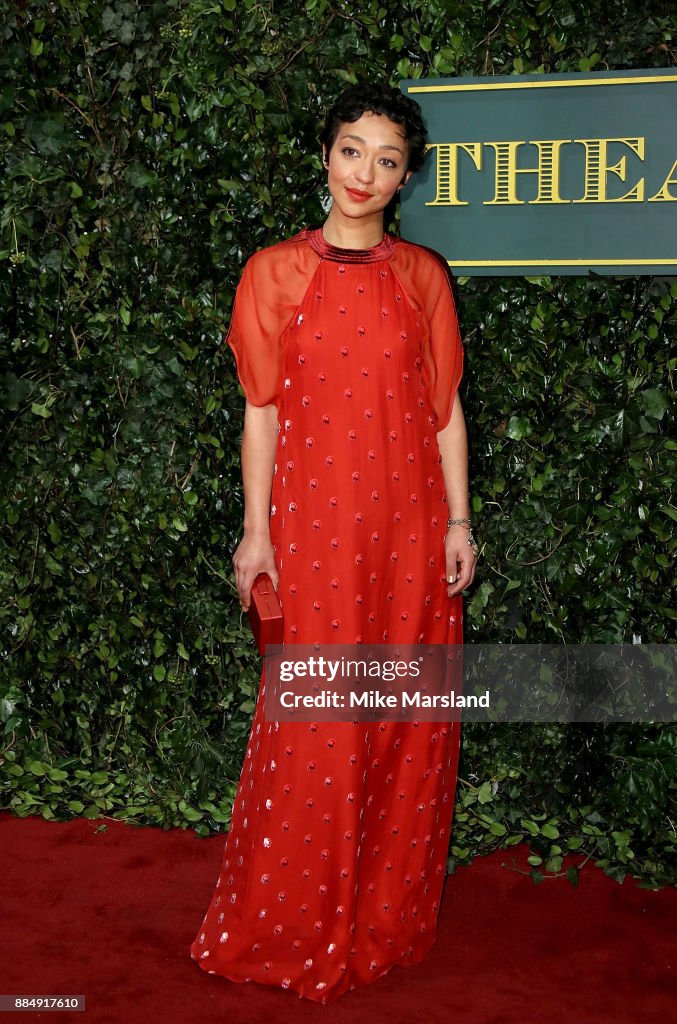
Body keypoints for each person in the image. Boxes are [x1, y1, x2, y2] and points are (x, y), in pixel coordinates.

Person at [190, 82, 478, 1003]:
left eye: (386, 160)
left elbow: (443, 413)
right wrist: (253, 533)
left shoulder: (422, 275)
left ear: (406, 178)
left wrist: (460, 521)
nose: (365, 173)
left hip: (409, 535)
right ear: (325, 156)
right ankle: (289, 924)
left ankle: (380, 919)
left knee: (399, 724)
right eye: (351, 150)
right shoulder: (273, 271)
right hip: (313, 536)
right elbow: (261, 413)